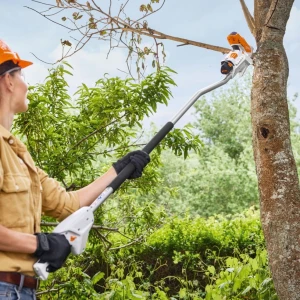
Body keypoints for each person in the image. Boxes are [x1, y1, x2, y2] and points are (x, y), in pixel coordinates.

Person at [0, 39, 150, 300]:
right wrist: (40, 244)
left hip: (20, 290)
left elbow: (68, 204)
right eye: (21, 74)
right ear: (8, 81)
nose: (26, 83)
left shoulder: (17, 153)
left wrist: (118, 170)